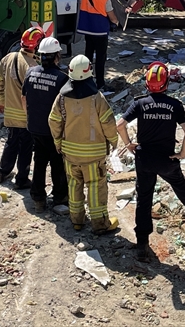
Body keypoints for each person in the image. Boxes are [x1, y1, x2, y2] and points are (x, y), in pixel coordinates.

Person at [117, 61, 185, 262]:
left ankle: (142, 244)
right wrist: (182, 154)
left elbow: (120, 125)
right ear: (166, 83)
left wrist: (129, 143)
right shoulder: (175, 105)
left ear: (147, 84)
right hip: (166, 159)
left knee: (144, 198)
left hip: (144, 158)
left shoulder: (139, 103)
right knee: (180, 186)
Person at [49, 52, 119, 233]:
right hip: (93, 155)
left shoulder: (62, 97)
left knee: (74, 186)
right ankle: (99, 224)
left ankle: (77, 220)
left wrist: (58, 141)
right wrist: (113, 141)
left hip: (70, 154)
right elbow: (108, 122)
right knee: (96, 186)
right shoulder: (97, 98)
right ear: (89, 72)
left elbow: (54, 120)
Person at [23, 37, 70, 214]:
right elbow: (65, 108)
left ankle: (38, 199)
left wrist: (30, 119)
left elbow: (24, 99)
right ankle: (59, 198)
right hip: (53, 131)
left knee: (40, 162)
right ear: (57, 56)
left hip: (34, 127)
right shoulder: (61, 79)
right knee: (57, 164)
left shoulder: (30, 73)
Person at [0, 27, 42, 188]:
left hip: (10, 114)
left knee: (11, 143)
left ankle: (2, 172)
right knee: (26, 148)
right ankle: (21, 179)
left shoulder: (9, 58)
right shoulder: (33, 66)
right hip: (26, 116)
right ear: (36, 45)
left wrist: (0, 102)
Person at [77, 0, 119, 91]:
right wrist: (116, 23)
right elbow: (112, 17)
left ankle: (85, 80)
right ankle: (100, 83)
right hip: (100, 33)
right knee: (100, 59)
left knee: (88, 56)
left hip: (88, 31)